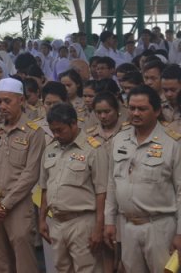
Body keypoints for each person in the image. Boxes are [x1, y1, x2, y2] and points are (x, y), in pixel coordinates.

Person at [104, 85, 181, 273]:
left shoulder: (173, 144)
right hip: (128, 226)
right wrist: (109, 221)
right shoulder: (119, 140)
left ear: (156, 111)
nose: (135, 113)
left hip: (160, 227)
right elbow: (112, 184)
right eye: (132, 108)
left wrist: (180, 233)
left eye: (142, 109)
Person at [0, 77, 46, 273]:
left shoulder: (34, 132)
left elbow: (30, 174)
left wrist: (5, 204)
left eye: (7, 101)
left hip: (18, 205)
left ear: (22, 101)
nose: (2, 106)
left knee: (23, 261)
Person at [39, 103, 108, 273]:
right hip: (56, 221)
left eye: (60, 130)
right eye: (53, 130)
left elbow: (102, 193)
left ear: (73, 124)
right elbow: (45, 187)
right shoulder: (50, 149)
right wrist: (41, 219)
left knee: (87, 269)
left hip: (82, 222)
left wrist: (99, 228)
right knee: (62, 268)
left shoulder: (93, 149)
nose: (56, 134)